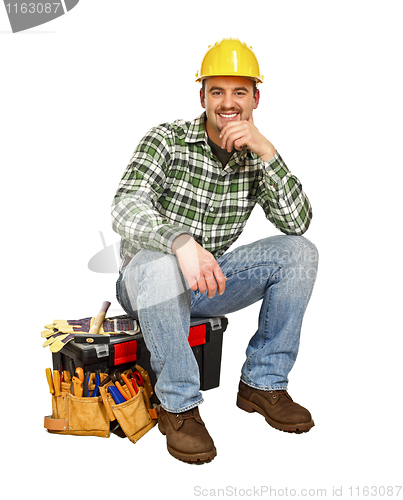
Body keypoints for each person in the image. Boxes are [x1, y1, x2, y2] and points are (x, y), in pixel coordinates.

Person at [111, 38, 319, 464]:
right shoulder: (166, 140)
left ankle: (263, 383)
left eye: (239, 92)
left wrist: (270, 154)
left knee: (300, 252)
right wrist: (179, 242)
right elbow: (125, 205)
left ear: (255, 98)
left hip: (210, 283)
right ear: (202, 96)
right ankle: (179, 407)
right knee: (157, 264)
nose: (228, 103)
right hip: (146, 282)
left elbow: (296, 224)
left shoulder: (256, 157)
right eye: (217, 91)